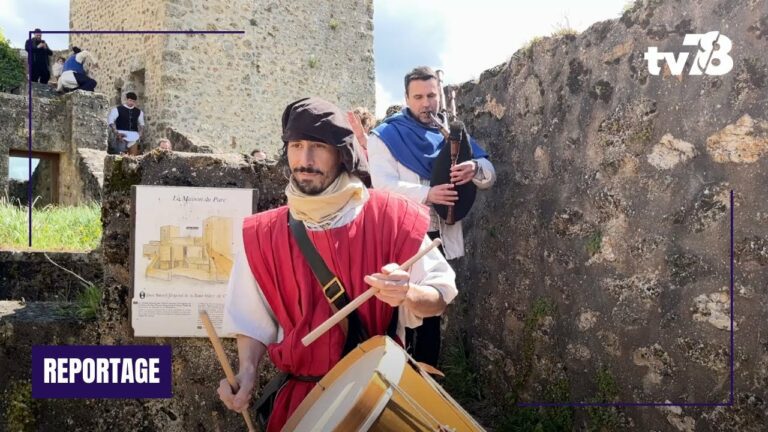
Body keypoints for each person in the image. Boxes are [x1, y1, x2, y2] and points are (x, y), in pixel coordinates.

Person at [217, 97, 457, 431]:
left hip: (381, 391)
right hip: (304, 406)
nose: (305, 159)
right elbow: (253, 323)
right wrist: (246, 373)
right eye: (296, 145)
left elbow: (440, 296)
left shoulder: (391, 216)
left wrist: (408, 294)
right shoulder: (262, 235)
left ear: (342, 153)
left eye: (318, 146)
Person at [368, 66, 496, 367]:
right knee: (398, 316)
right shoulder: (385, 135)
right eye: (419, 97)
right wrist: (428, 194)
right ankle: (395, 381)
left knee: (432, 316)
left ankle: (427, 384)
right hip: (403, 238)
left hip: (440, 238)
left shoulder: (451, 134)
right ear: (406, 98)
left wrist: (474, 168)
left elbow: (489, 174)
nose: (426, 103)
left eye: (431, 95)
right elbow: (382, 186)